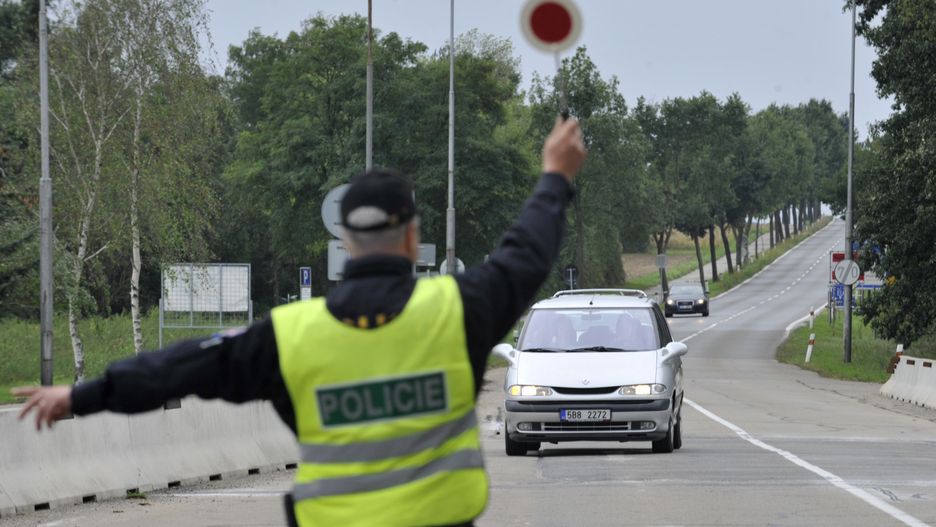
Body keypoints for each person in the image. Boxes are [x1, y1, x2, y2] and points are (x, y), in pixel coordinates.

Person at [13, 117, 586, 526]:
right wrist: (554, 175)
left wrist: (81, 396)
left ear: (345, 240)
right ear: (412, 238)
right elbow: (525, 254)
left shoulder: (291, 336)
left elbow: (178, 368)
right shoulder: (456, 310)